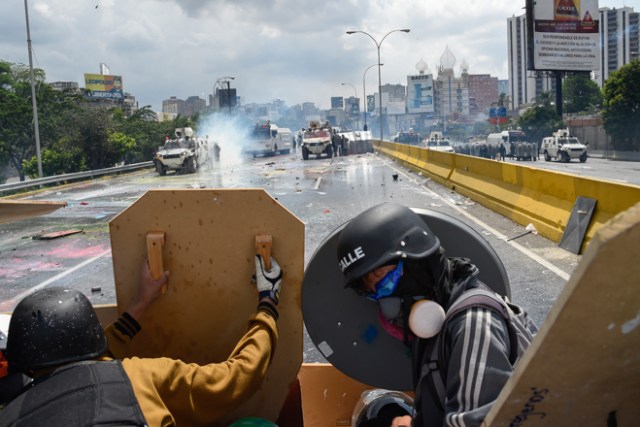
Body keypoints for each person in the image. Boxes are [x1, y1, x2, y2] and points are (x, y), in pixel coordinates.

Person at [1, 254, 283, 426]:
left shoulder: (11, 411)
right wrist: (268, 302)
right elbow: (236, 378)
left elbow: (98, 355)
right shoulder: (138, 377)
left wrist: (141, 302)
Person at [336, 202, 533, 427]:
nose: (384, 300)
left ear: (418, 264)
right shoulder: (436, 324)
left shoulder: (474, 324)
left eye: (384, 279)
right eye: (372, 291)